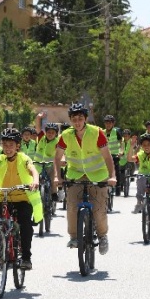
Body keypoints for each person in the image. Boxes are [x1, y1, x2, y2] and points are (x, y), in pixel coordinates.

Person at [0, 128, 42, 270]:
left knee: (25, 226)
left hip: (22, 197)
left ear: (18, 146)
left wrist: (35, 181)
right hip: (3, 196)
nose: (8, 148)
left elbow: (33, 170)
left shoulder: (23, 158)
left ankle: (26, 257)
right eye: (5, 145)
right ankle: (1, 245)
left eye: (11, 145)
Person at [53, 103, 116, 254]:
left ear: (85, 119)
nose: (77, 121)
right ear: (70, 120)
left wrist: (112, 176)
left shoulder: (97, 133)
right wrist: (57, 176)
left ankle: (102, 236)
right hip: (75, 175)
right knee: (72, 207)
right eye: (74, 119)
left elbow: (107, 157)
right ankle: (74, 237)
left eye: (80, 118)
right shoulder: (66, 136)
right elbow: (57, 157)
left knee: (99, 209)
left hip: (98, 176)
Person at [33, 122, 60, 201]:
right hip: (38, 165)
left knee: (52, 180)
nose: (50, 134)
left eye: (52, 133)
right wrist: (38, 118)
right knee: (34, 181)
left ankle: (54, 193)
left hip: (51, 165)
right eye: (48, 132)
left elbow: (61, 154)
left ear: (56, 134)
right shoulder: (41, 137)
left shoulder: (57, 142)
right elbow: (38, 127)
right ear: (45, 132)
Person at [103, 115, 123, 195]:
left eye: (110, 123)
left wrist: (121, 152)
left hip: (115, 155)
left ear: (113, 123)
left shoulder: (116, 131)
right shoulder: (102, 132)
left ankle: (118, 187)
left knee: (116, 170)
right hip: (105, 155)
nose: (108, 125)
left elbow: (121, 143)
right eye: (106, 123)